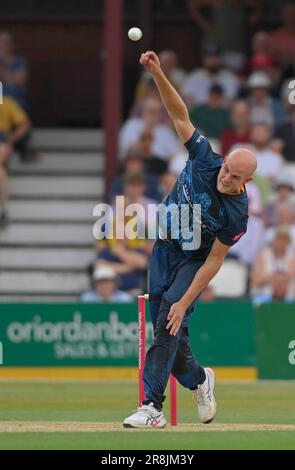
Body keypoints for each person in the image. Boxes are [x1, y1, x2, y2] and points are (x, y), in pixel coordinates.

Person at [123, 50, 257, 429]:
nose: (225, 177)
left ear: (245, 182)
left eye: (234, 177)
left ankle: (152, 407)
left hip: (194, 261)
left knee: (170, 317)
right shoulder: (205, 158)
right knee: (169, 330)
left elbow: (215, 261)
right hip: (164, 248)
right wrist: (158, 73)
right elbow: (178, 114)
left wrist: (185, 299)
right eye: (227, 168)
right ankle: (200, 381)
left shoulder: (237, 212)